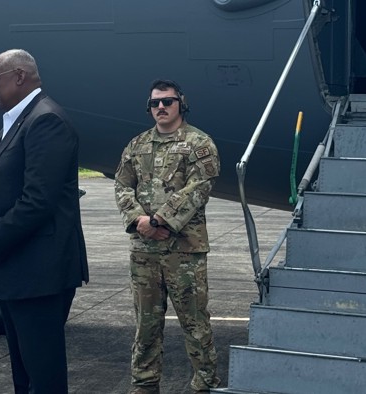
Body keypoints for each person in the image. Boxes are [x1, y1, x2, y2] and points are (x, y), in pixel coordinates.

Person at [0, 49, 89, 394]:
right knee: (25, 375)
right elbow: (9, 194)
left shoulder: (45, 121)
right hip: (19, 271)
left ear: (19, 77)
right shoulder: (18, 121)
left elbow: (37, 202)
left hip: (39, 273)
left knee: (43, 376)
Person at [114, 80, 221, 393]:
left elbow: (199, 187)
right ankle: (144, 384)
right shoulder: (136, 146)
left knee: (195, 324)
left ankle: (205, 384)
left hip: (184, 253)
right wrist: (139, 221)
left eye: (168, 102)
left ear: (181, 105)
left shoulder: (199, 144)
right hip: (144, 251)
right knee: (145, 326)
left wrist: (160, 219)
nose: (160, 107)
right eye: (155, 103)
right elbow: (122, 186)